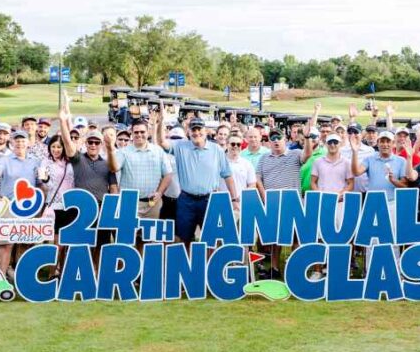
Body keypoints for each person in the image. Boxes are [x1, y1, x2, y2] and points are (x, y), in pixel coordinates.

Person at [155, 113, 238, 250]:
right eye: (193, 130)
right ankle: (186, 267)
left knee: (210, 239)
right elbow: (161, 142)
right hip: (186, 201)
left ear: (205, 131)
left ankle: (207, 268)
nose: (197, 132)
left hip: (209, 200)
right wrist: (160, 123)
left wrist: (234, 199)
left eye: (199, 129)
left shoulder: (216, 149)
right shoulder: (180, 146)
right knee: (184, 238)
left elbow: (227, 175)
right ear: (189, 132)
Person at [0, 130, 47, 273]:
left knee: (24, 243)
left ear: (28, 143)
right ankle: (0, 279)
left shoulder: (35, 161)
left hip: (29, 208)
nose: (20, 143)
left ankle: (21, 277)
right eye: (17, 140)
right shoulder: (5, 160)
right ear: (12, 143)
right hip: (9, 207)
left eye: (23, 140)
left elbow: (41, 182)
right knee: (7, 244)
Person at [256, 125, 315, 276]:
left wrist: (307, 138)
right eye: (272, 138)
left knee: (296, 236)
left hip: (292, 202)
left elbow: (308, 154)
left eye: (279, 138)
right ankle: (275, 268)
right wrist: (265, 197)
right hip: (273, 203)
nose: (276, 141)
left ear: (285, 140)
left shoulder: (295, 154)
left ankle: (295, 268)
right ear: (269, 142)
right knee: (276, 238)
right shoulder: (263, 158)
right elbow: (258, 179)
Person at [108, 117, 171, 220]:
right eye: (136, 132)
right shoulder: (123, 152)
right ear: (132, 134)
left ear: (148, 132)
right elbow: (114, 168)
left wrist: (160, 192)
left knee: (149, 235)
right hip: (129, 203)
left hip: (152, 204)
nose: (139, 135)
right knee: (128, 235)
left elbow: (168, 174)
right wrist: (110, 149)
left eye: (142, 132)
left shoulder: (158, 151)